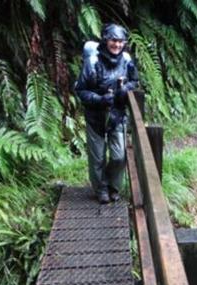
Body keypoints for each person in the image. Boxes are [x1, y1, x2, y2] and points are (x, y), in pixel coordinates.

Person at [75, 23, 139, 204]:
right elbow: (81, 90)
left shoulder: (126, 60)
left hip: (117, 115)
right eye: (113, 40)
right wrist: (99, 99)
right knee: (98, 157)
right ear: (105, 40)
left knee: (119, 156)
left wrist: (125, 89)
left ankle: (113, 186)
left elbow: (135, 81)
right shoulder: (92, 62)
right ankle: (101, 189)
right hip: (95, 116)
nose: (117, 45)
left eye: (120, 41)